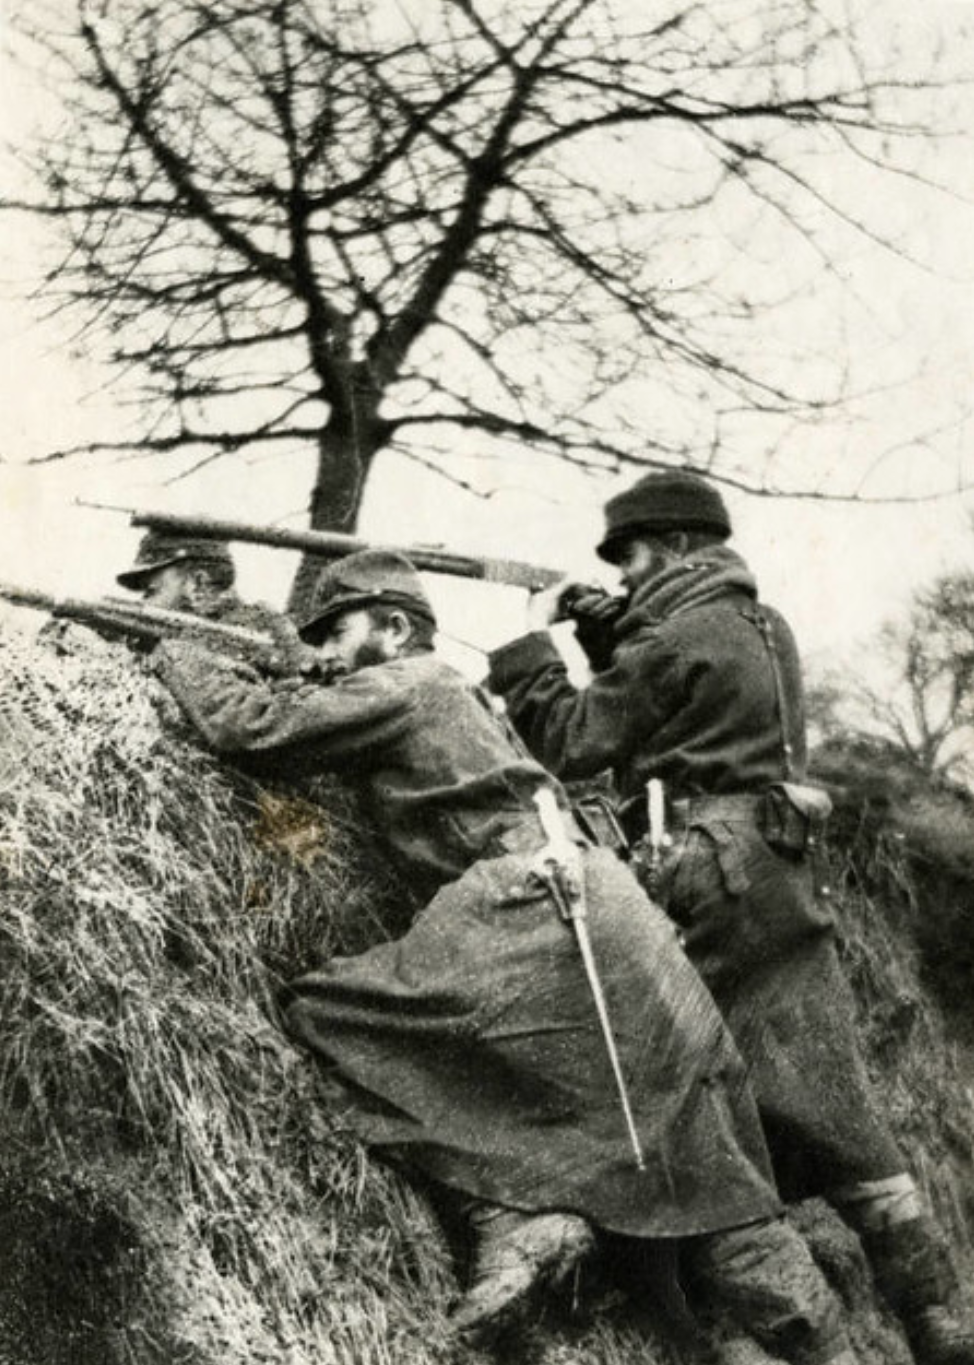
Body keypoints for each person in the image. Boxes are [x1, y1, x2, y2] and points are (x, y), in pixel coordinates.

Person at [155, 549, 857, 1365]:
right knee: (709, 1170)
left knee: (329, 1012)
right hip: (614, 910)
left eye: (338, 633)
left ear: (393, 627)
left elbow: (251, 729)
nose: (329, 654)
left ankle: (514, 1213)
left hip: (523, 901)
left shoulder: (408, 681)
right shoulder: (460, 696)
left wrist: (176, 650)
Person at [487, 468, 974, 1365]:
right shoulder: (758, 621)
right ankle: (938, 1320)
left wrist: (531, 649)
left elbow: (577, 739)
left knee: (659, 1088)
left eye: (631, 559)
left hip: (700, 866)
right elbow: (686, 708)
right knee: (830, 1100)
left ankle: (740, 1319)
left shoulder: (678, 633)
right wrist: (613, 632)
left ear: (673, 548)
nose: (625, 577)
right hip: (780, 871)